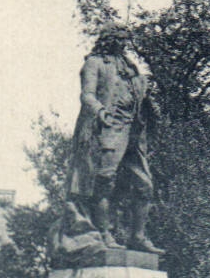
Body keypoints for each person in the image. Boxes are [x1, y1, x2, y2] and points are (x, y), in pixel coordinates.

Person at [56, 28, 162, 258]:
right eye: (119, 41)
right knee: (104, 180)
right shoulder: (95, 63)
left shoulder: (130, 66)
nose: (123, 45)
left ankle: (138, 237)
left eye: (125, 41)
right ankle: (104, 233)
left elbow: (140, 95)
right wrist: (99, 111)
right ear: (108, 41)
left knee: (145, 184)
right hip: (108, 127)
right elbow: (87, 95)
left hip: (133, 129)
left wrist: (149, 104)